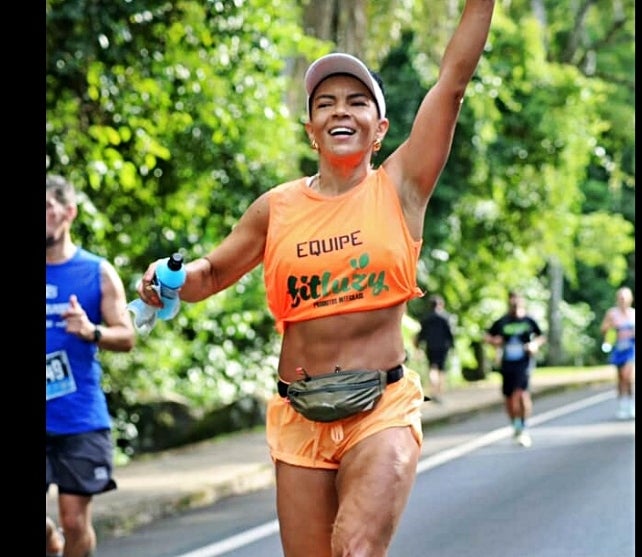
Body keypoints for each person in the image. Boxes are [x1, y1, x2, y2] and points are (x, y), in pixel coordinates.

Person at [134, 2, 495, 554]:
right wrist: (166, 281)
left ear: (380, 129)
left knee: (354, 546)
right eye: (325, 103)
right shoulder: (277, 208)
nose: (339, 111)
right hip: (298, 414)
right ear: (311, 130)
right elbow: (210, 274)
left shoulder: (401, 186)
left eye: (356, 102)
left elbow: (452, 81)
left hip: (382, 407)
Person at [46, 174, 136, 557]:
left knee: (74, 521)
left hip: (79, 418)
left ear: (69, 213)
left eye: (48, 209)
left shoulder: (96, 271)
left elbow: (126, 336)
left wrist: (91, 331)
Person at [484, 291, 546, 448]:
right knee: (510, 398)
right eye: (513, 305)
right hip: (507, 364)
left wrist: (534, 345)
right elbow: (487, 336)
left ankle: (524, 426)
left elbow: (541, 336)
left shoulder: (529, 320)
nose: (516, 308)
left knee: (522, 395)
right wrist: (494, 341)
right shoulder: (502, 322)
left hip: (523, 363)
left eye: (518, 305)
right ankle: (516, 425)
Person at [600, 286, 635, 419]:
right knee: (620, 378)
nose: (623, 300)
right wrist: (612, 327)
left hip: (631, 348)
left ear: (630, 299)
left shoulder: (633, 314)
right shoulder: (612, 313)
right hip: (618, 347)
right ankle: (622, 405)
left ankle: (631, 403)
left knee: (628, 376)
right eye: (620, 298)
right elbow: (603, 329)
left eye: (625, 298)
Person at [414, 295, 455, 402]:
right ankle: (439, 392)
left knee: (432, 367)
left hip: (430, 346)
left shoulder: (425, 319)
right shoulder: (446, 318)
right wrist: (452, 346)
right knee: (441, 369)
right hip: (443, 347)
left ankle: (433, 391)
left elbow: (421, 335)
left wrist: (418, 346)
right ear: (441, 304)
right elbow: (450, 334)